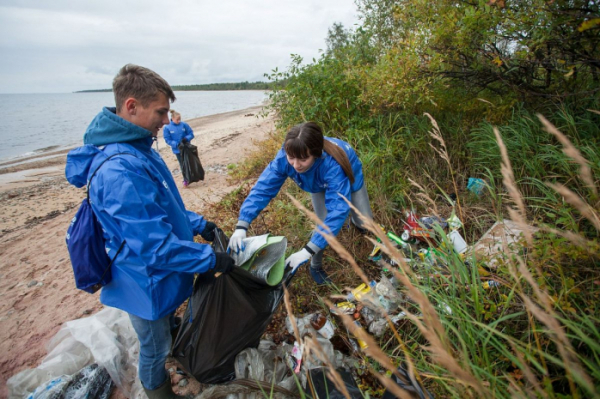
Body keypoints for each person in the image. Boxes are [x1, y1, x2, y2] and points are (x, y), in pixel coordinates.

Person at [65, 64, 235, 399]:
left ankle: (173, 348)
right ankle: (160, 393)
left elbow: (162, 206)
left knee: (163, 332)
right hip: (144, 281)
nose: (164, 119)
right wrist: (210, 258)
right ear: (131, 106)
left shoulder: (138, 147)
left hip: (157, 275)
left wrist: (201, 224)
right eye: (160, 112)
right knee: (154, 350)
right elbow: (155, 247)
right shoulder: (119, 169)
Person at [227, 121, 373, 285]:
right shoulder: (284, 157)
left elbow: (338, 210)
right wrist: (242, 225)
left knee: (365, 222)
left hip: (349, 174)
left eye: (303, 159)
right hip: (317, 184)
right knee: (322, 223)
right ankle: (315, 266)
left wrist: (306, 251)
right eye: (291, 158)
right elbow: (263, 188)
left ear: (316, 154)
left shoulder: (333, 165)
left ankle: (358, 226)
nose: (296, 165)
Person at [163, 110, 195, 187]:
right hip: (177, 150)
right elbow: (167, 139)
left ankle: (192, 177)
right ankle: (186, 180)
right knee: (182, 164)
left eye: (180, 119)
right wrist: (176, 144)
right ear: (172, 118)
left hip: (186, 148)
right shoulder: (167, 127)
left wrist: (186, 139)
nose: (179, 121)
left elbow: (191, 134)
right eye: (177, 119)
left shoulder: (184, 125)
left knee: (189, 163)